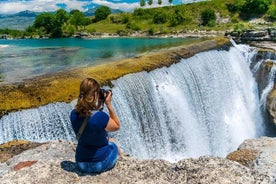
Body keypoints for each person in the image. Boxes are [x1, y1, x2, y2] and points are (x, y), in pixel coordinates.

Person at [70, 77, 122, 173]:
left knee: (108, 140)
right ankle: (124, 160)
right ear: (95, 94)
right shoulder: (100, 116)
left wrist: (97, 105)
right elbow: (116, 126)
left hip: (81, 163)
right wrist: (108, 104)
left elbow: (89, 118)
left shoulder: (73, 114)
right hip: (100, 164)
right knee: (112, 142)